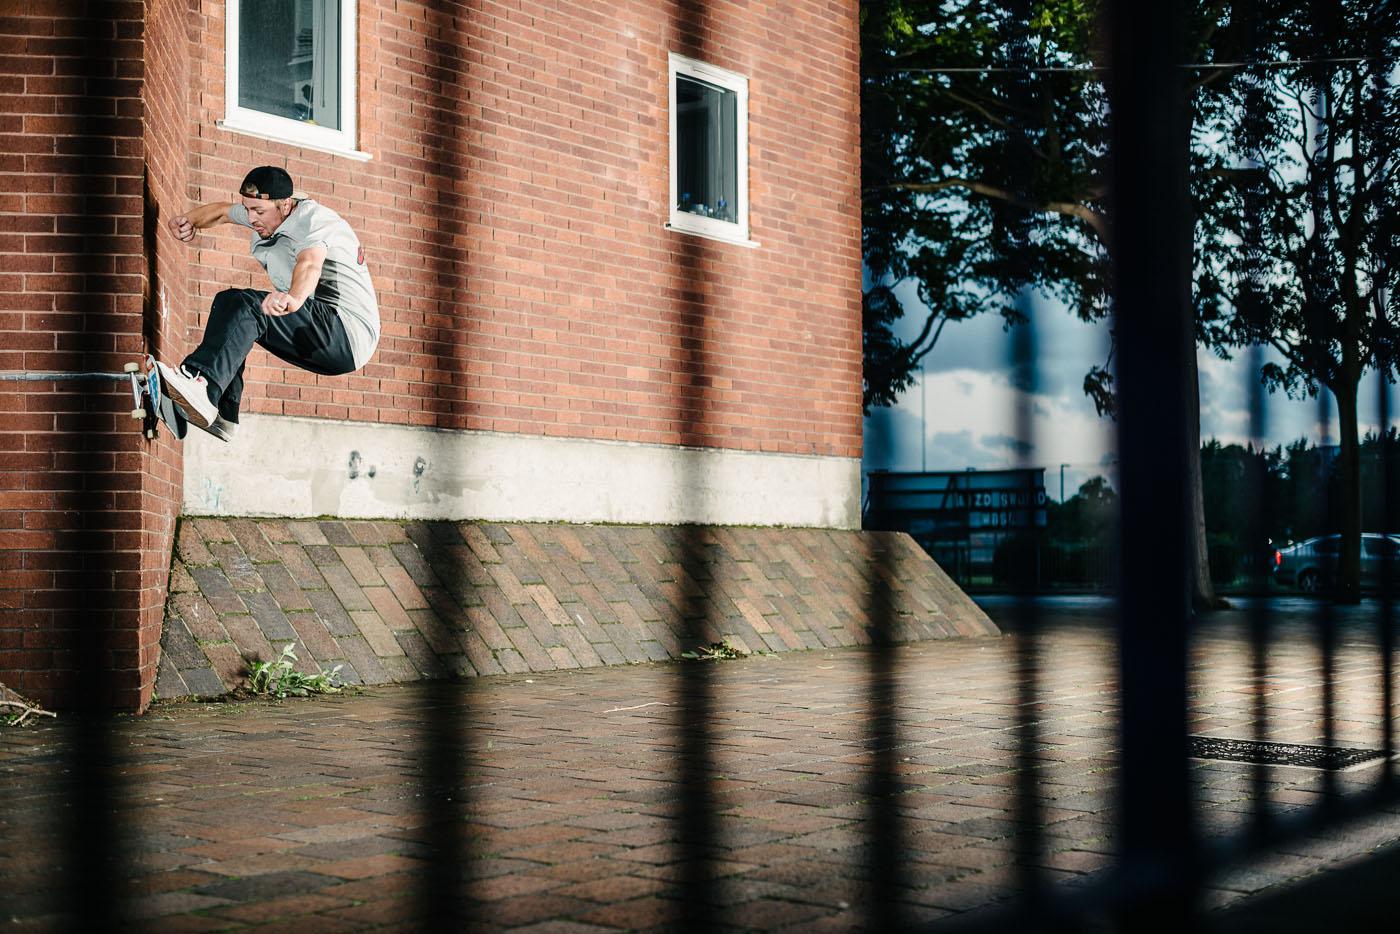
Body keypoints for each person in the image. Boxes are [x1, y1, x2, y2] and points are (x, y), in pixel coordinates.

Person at [159, 166, 380, 441]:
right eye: (248, 209)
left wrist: (294, 298)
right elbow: (222, 212)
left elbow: (310, 263)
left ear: (285, 205)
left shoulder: (313, 221)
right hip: (321, 331)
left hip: (344, 332)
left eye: (258, 213)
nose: (251, 219)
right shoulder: (264, 210)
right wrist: (188, 221)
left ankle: (201, 385)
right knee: (229, 304)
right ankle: (222, 415)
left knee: (248, 306)